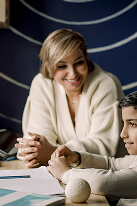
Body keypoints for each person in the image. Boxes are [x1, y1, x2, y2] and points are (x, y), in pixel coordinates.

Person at [47, 86, 137, 206]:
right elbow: (111, 164)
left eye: (132, 124)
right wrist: (77, 158)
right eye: (124, 124)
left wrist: (66, 173)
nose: (123, 134)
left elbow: (103, 183)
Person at [15, 29, 125, 167]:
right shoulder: (41, 84)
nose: (72, 74)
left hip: (111, 172)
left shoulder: (105, 84)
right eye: (62, 66)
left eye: (78, 63)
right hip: (62, 170)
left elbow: (102, 147)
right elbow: (40, 139)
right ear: (48, 67)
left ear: (85, 56)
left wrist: (51, 152)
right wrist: (33, 151)